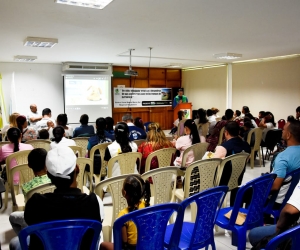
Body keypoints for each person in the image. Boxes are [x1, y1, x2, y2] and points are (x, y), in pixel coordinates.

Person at [9, 146, 105, 250]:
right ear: (77, 168)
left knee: (15, 242)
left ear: (48, 174)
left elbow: (30, 224)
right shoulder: (95, 202)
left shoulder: (35, 203)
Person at [248, 179, 300, 247]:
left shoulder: (280, 167)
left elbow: (289, 211)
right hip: (285, 199)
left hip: (277, 202)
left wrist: (279, 226)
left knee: (253, 234)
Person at [213, 121, 251, 205]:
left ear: (226, 132)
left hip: (222, 181)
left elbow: (214, 165)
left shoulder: (223, 147)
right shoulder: (246, 145)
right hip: (238, 178)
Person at [267, 120, 300, 210]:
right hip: (294, 198)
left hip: (278, 202)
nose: (282, 130)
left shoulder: (282, 157)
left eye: (284, 129)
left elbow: (275, 187)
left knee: (246, 193)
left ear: (288, 135)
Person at [117, 175, 150, 249]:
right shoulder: (147, 205)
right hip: (146, 246)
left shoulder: (123, 215)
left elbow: (124, 244)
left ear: (124, 192)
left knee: (103, 245)